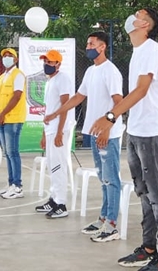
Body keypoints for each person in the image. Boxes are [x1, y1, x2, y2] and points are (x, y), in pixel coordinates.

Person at [90, 9, 158, 271]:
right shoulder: (139, 52)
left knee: (157, 194)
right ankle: (149, 247)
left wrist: (111, 116)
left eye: (137, 14)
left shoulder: (151, 49)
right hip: (137, 131)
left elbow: (141, 90)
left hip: (151, 132)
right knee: (143, 191)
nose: (131, 16)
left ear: (145, 24)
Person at [45, 31, 123, 242]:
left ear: (102, 47)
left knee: (111, 178)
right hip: (95, 132)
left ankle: (112, 225)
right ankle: (103, 217)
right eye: (87, 43)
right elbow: (79, 97)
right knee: (102, 177)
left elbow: (119, 101)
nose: (87, 46)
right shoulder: (91, 71)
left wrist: (107, 127)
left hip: (109, 133)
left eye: (91, 43)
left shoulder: (111, 71)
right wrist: (56, 112)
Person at [33, 49, 73, 218]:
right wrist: (44, 134)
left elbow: (65, 106)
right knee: (51, 165)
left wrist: (59, 132)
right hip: (50, 129)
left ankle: (61, 203)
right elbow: (48, 110)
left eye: (50, 62)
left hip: (59, 129)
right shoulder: (50, 81)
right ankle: (54, 198)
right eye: (45, 61)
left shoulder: (63, 79)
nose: (47, 64)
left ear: (58, 64)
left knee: (58, 165)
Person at [0, 47, 26, 199]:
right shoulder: (1, 77)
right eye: (4, 55)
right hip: (1, 118)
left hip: (12, 118)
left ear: (16, 59)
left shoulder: (18, 75)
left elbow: (17, 96)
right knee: (7, 153)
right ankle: (11, 183)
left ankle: (18, 186)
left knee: (13, 152)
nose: (6, 57)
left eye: (9, 55)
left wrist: (3, 113)